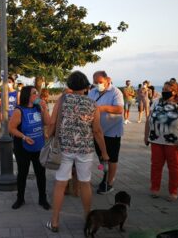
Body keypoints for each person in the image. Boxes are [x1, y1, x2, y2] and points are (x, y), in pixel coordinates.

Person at [46, 71, 109, 232]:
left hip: (63, 149)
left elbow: (52, 122)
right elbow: (97, 131)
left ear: (70, 85)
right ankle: (87, 218)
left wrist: (48, 136)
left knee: (60, 184)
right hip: (85, 149)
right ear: (86, 86)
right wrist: (104, 152)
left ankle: (54, 221)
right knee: (85, 183)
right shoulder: (92, 104)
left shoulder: (63, 99)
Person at [144, 81, 178, 202]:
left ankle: (173, 191)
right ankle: (154, 188)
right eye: (163, 88)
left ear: (175, 91)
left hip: (174, 143)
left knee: (174, 167)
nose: (164, 91)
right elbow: (148, 119)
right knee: (155, 166)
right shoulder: (156, 102)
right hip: (156, 140)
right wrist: (146, 136)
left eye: (168, 89)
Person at [8, 86, 51, 210]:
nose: (37, 95)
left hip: (38, 146)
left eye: (37, 93)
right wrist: (24, 137)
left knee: (41, 173)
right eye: (34, 93)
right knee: (22, 173)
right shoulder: (19, 110)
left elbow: (48, 122)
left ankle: (42, 199)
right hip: (23, 147)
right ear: (27, 96)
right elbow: (11, 128)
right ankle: (20, 198)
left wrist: (44, 108)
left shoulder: (38, 108)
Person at [88, 71, 124, 194]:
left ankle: (109, 183)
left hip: (112, 131)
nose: (98, 84)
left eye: (100, 82)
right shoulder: (92, 92)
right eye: (95, 82)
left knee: (112, 158)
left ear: (108, 80)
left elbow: (119, 109)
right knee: (102, 157)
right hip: (97, 131)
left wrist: (102, 108)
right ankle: (105, 175)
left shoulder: (116, 92)